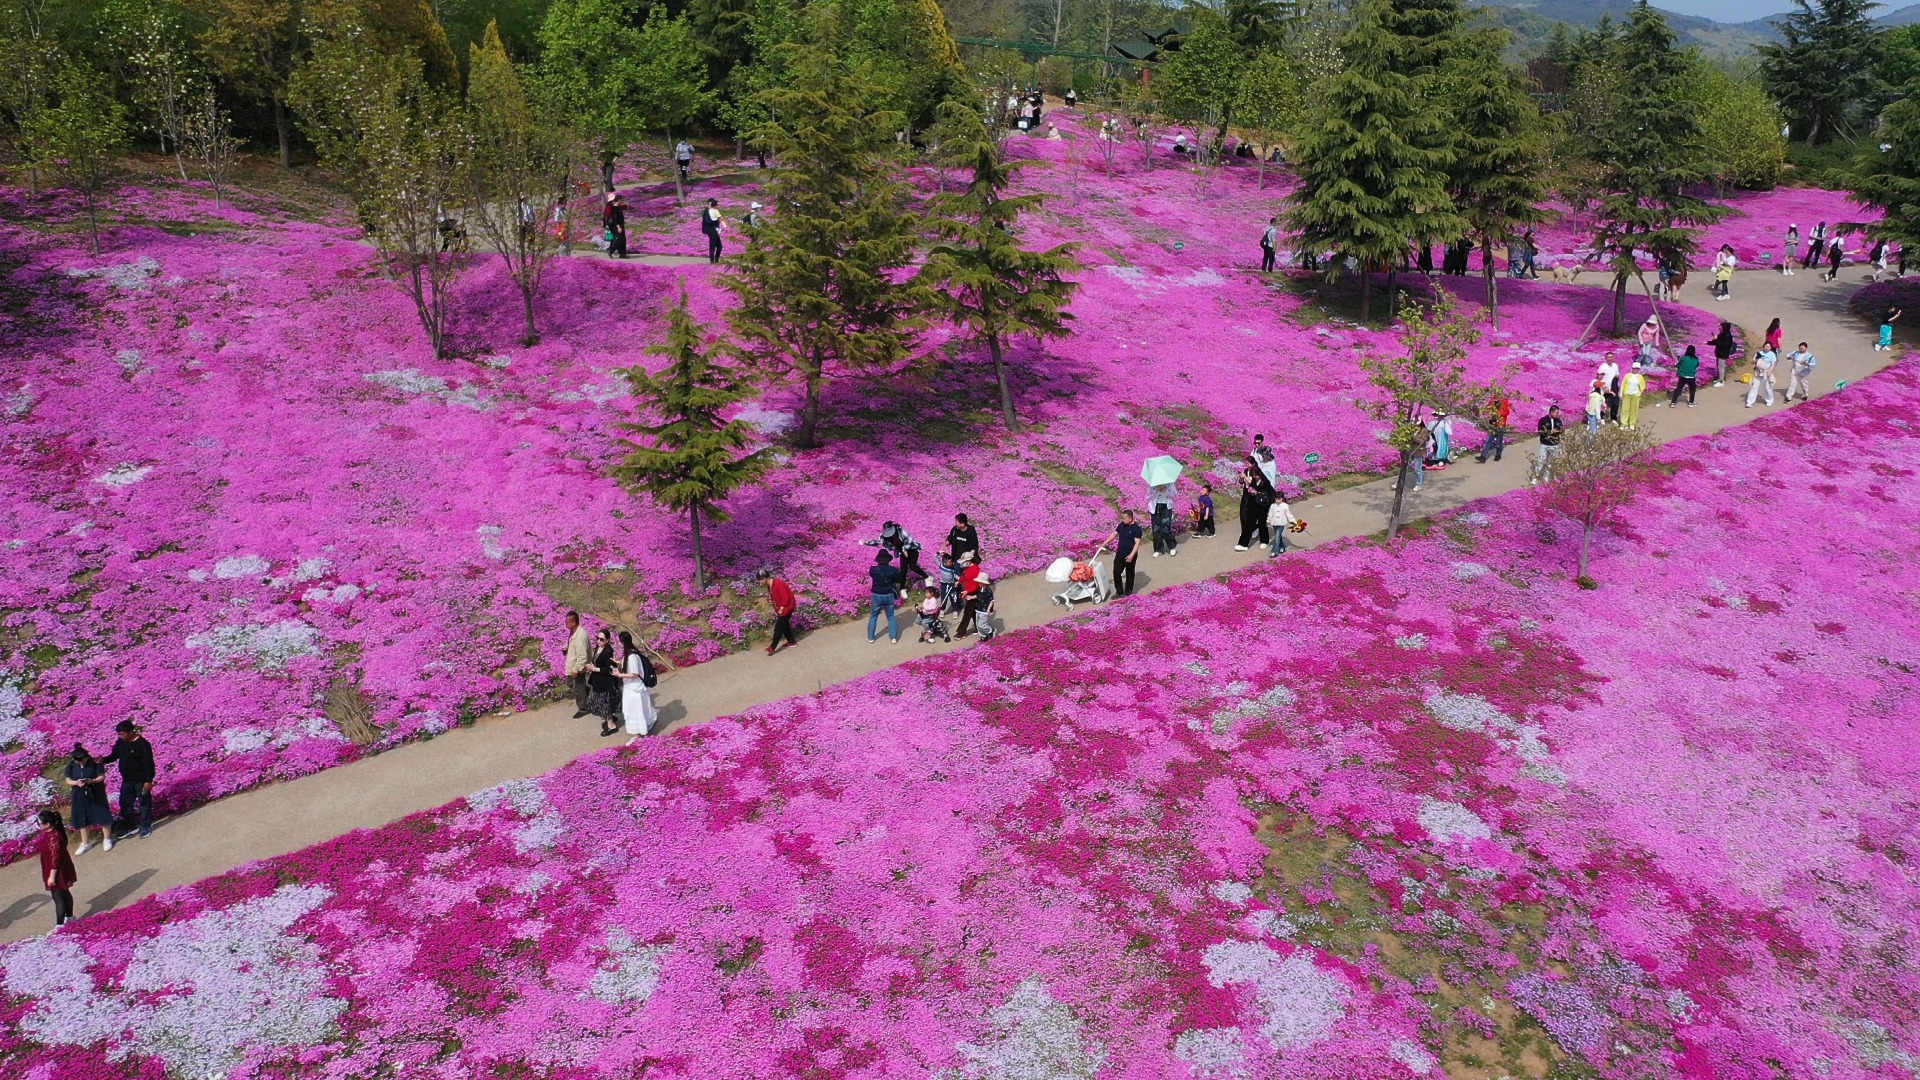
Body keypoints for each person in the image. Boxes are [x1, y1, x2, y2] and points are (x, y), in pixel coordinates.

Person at [99, 720, 154, 839]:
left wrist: (148, 780)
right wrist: (103, 760)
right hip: (127, 781)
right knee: (125, 804)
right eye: (119, 734)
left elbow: (149, 763)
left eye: (122, 733)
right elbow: (114, 755)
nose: (120, 736)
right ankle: (131, 825)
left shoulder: (143, 744)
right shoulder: (121, 742)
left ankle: (145, 826)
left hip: (141, 781)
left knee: (144, 803)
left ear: (130, 732)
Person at [63, 744, 112, 854]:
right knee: (82, 816)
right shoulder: (72, 764)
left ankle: (107, 838)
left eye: (82, 761)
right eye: (77, 761)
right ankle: (85, 842)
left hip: (95, 791)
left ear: (86, 757)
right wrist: (76, 782)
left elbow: (101, 777)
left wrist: (92, 781)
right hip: (78, 792)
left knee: (102, 813)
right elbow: (68, 780)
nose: (80, 763)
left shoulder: (95, 762)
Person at [613, 630, 657, 740]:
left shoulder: (632, 656)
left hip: (634, 688)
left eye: (619, 641)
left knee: (635, 711)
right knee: (638, 709)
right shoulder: (630, 653)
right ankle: (644, 727)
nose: (618, 643)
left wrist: (620, 675)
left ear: (623, 642)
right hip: (631, 687)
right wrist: (618, 662)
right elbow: (629, 666)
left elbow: (635, 674)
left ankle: (639, 733)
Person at [36, 810, 76, 929]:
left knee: (58, 896)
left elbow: (55, 858)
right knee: (64, 892)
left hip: (56, 870)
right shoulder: (54, 834)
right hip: (58, 868)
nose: (38, 825)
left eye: (40, 823)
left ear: (48, 824)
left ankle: (60, 924)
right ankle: (69, 917)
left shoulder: (53, 837)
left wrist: (52, 876)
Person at [1101, 510, 1145, 597]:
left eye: (1124, 518)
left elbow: (1137, 543)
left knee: (1129, 574)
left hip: (1130, 555)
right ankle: (1119, 591)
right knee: (1116, 572)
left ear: (1130, 518)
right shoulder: (1121, 525)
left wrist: (1131, 555)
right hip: (1120, 553)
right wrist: (1104, 544)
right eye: (1122, 518)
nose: (1123, 520)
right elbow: (1114, 535)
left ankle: (1128, 592)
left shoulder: (1136, 529)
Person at [1234, 458, 1275, 550]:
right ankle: (1243, 544)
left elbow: (1268, 494)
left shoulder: (1265, 482)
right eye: (1253, 475)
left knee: (1262, 523)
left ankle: (1264, 541)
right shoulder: (1252, 480)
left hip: (1262, 506)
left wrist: (1257, 493)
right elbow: (1248, 486)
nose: (1255, 477)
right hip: (1253, 503)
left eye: (1256, 475)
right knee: (1248, 523)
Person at [586, 628, 618, 727]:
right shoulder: (598, 647)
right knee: (596, 702)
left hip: (605, 682)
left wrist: (594, 669)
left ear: (607, 640)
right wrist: (590, 666)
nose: (598, 641)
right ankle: (609, 719)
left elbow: (609, 669)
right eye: (597, 638)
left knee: (605, 704)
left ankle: (611, 725)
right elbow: (595, 660)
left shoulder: (608, 651)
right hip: (597, 681)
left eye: (601, 639)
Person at [867, 551, 901, 643]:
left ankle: (871, 637)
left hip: (877, 596)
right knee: (891, 616)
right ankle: (893, 637)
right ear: (888, 560)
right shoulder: (893, 570)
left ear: (878, 560)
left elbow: (871, 575)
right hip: (889, 595)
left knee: (873, 616)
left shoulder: (873, 569)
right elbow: (897, 579)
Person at [763, 570, 798, 654]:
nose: (760, 582)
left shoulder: (778, 584)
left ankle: (772, 647)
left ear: (765, 578)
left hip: (787, 607)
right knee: (784, 625)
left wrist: (781, 608)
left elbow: (785, 597)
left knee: (778, 628)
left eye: (761, 580)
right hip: (782, 608)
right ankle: (792, 642)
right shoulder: (769, 585)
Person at [564, 610, 591, 717]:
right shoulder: (574, 632)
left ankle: (583, 709)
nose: (566, 624)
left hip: (577, 666)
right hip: (572, 664)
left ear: (573, 622)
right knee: (570, 683)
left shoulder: (580, 635)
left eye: (567, 622)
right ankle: (589, 693)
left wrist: (577, 669)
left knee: (578, 688)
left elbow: (582, 656)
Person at [1531, 405, 1565, 485]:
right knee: (1541, 461)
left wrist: (1561, 429)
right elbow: (1540, 431)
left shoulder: (1558, 420)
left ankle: (1546, 477)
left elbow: (1561, 429)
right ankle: (1535, 477)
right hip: (1545, 444)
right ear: (1551, 412)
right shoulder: (1543, 420)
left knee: (1550, 462)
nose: (1558, 414)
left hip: (1554, 444)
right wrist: (1550, 432)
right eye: (1556, 413)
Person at [956, 555, 985, 637]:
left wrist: (967, 591)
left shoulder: (975, 569)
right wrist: (959, 582)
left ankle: (961, 632)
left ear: (969, 561)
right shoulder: (967, 568)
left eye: (964, 561)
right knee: (973, 612)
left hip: (972, 593)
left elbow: (976, 585)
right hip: (967, 591)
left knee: (967, 613)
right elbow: (964, 576)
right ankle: (978, 627)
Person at [1478, 395, 1512, 463]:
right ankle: (1483, 457)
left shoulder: (1504, 401)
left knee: (1499, 441)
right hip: (1492, 424)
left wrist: (1498, 414)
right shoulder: (1492, 400)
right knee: (1488, 440)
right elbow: (1488, 408)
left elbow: (1507, 412)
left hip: (1500, 424)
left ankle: (1498, 455)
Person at [1148, 482, 1177, 557]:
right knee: (1156, 529)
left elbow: (1174, 494)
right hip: (1155, 507)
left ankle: (1172, 546)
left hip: (1166, 507)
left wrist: (1165, 490)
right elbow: (1147, 496)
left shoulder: (1170, 484)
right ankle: (1158, 549)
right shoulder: (1152, 484)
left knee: (1165, 528)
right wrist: (1157, 490)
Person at [1620, 362, 1647, 430]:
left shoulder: (1640, 377)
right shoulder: (1627, 375)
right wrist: (1621, 394)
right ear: (1632, 368)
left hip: (1635, 395)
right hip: (1627, 394)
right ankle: (1624, 423)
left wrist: (1639, 393)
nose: (1636, 370)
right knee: (1625, 410)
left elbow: (1643, 386)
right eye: (1634, 368)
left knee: (1634, 410)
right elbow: (1623, 385)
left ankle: (1632, 424)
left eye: (1637, 369)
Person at [1595, 357, 1622, 424]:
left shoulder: (1615, 366)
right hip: (1604, 388)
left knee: (1615, 404)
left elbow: (1617, 375)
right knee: (1603, 403)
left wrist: (1615, 385)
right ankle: (1601, 418)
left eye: (1611, 357)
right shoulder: (1602, 367)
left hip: (1613, 388)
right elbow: (1598, 377)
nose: (1609, 358)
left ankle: (1613, 418)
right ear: (1606, 358)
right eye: (1608, 357)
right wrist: (1603, 387)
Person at [604, 194, 628, 260]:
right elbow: (614, 218)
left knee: (622, 239)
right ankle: (611, 250)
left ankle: (622, 254)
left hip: (620, 224)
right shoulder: (612, 207)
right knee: (620, 239)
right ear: (618, 200)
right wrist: (618, 227)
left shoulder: (617, 207)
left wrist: (626, 205)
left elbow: (623, 207)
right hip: (616, 225)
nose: (621, 201)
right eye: (621, 200)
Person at [701, 199, 723, 265]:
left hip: (711, 230)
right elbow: (716, 220)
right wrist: (717, 222)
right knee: (715, 246)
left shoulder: (709, 211)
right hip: (712, 230)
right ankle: (713, 261)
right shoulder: (711, 211)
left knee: (716, 246)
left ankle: (714, 260)